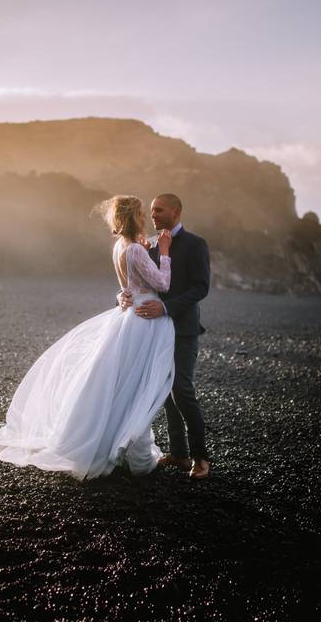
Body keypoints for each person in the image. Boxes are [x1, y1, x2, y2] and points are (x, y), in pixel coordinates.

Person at [0, 195, 175, 480]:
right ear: (133, 216)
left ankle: (119, 444)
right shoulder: (136, 249)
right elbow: (162, 283)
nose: (145, 218)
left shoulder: (120, 247)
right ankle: (131, 451)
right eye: (140, 213)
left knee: (118, 385)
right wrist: (164, 251)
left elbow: (128, 286)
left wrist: (127, 289)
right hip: (143, 320)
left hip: (127, 316)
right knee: (135, 387)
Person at [119, 193, 211, 480]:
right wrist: (123, 297)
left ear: (176, 211)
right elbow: (139, 281)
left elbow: (200, 287)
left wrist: (167, 307)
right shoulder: (150, 244)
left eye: (160, 210)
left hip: (182, 328)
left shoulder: (196, 244)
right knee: (164, 390)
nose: (154, 214)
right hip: (154, 330)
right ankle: (179, 454)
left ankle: (201, 458)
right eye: (152, 210)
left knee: (181, 389)